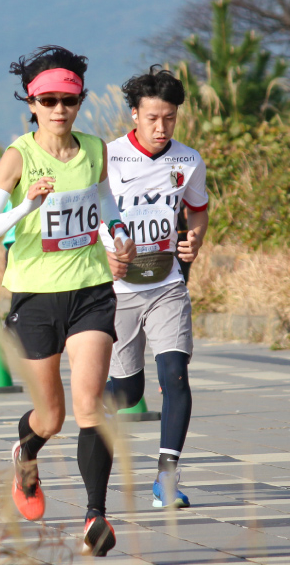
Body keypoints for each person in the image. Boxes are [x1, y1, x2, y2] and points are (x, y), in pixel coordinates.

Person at [0, 45, 135, 557]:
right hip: (36, 297)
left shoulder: (95, 149)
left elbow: (103, 201)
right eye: (48, 100)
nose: (59, 109)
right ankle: (27, 448)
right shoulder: (18, 156)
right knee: (52, 418)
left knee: (91, 406)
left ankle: (95, 516)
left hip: (91, 291)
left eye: (68, 99)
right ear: (31, 101)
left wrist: (117, 232)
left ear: (80, 100)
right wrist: (27, 205)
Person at [101, 66, 209, 509]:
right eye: (152, 118)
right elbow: (88, 219)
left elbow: (197, 210)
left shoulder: (188, 161)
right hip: (116, 290)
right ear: (134, 114)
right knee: (127, 392)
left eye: (170, 118)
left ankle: (167, 477)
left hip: (166, 283)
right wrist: (102, 253)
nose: (161, 127)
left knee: (175, 375)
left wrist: (195, 239)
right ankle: (89, 400)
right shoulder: (106, 158)